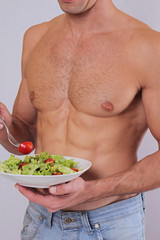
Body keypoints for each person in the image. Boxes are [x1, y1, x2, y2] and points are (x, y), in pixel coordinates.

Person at [0, 0, 160, 239]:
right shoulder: (36, 37)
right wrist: (5, 128)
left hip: (109, 223)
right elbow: (24, 138)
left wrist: (93, 190)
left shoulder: (148, 46)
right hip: (40, 220)